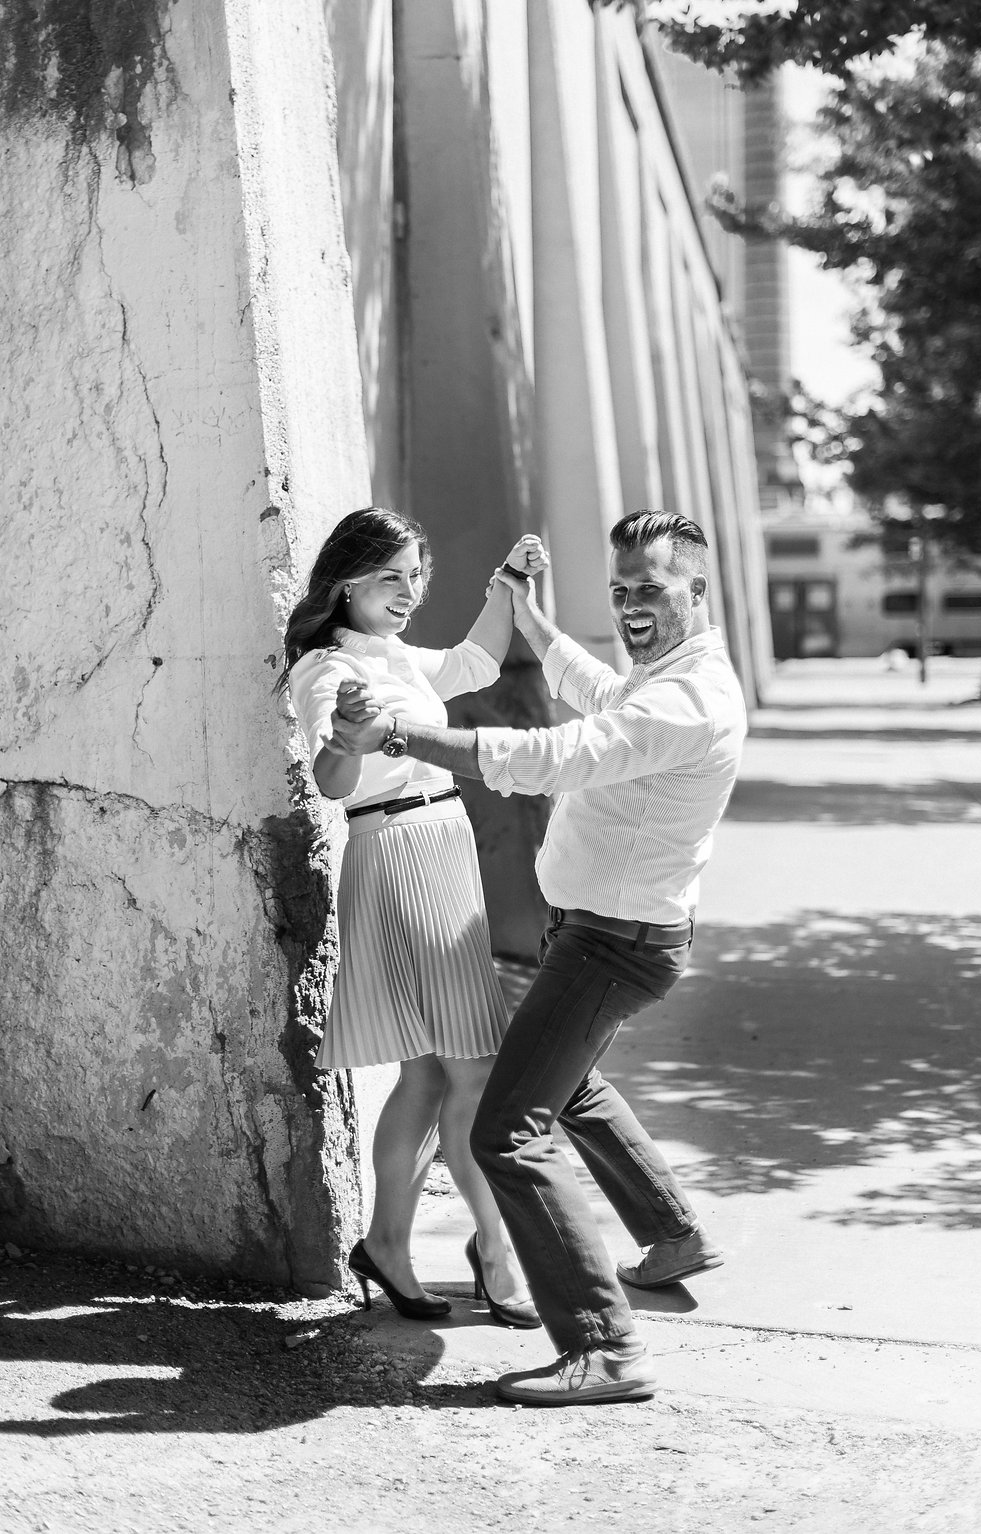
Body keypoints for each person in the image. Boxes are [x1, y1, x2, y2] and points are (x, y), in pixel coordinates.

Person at [328, 509, 747, 1405]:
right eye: (621, 589)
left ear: (698, 588)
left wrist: (397, 737)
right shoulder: (668, 676)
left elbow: (554, 755)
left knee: (507, 1133)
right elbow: (601, 694)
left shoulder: (688, 701)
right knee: (571, 1083)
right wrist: (530, 619)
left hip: (612, 944)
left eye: (652, 589)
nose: (631, 606)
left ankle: (604, 1346)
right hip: (606, 931)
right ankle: (674, 1235)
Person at [282, 506, 548, 1329]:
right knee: (474, 1071)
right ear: (346, 582)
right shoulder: (328, 670)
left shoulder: (394, 655)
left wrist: (508, 585)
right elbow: (330, 782)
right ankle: (499, 1255)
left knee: (429, 1074)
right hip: (399, 849)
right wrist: (348, 740)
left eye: (417, 575)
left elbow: (475, 660)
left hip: (440, 845)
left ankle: (387, 1244)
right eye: (391, 576)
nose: (409, 590)